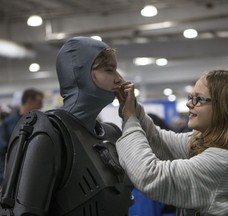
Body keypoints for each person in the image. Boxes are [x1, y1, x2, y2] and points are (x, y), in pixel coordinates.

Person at [0, 37, 132, 215]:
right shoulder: (48, 134)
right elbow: (21, 211)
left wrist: (132, 117)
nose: (119, 79)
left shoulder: (110, 134)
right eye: (109, 70)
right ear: (80, 74)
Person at [115, 69, 228, 215]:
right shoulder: (206, 143)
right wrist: (131, 104)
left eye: (199, 99)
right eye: (191, 97)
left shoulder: (222, 161)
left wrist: (130, 118)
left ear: (225, 107)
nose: (189, 104)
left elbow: (150, 176)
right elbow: (157, 139)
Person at [0, 88, 44, 183]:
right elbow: (1, 151)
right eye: (39, 102)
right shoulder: (9, 123)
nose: (41, 106)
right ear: (29, 101)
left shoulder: (42, 123)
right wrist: (3, 177)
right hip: (13, 175)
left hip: (35, 173)